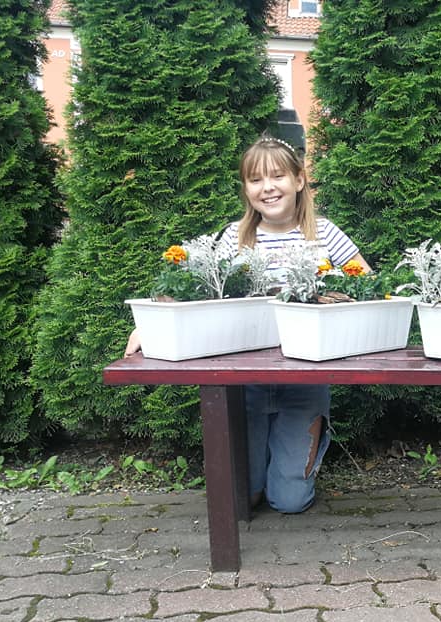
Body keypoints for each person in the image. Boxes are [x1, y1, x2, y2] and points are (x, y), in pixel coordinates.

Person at [125, 134, 372, 513]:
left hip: (306, 380)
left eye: (277, 176)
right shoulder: (236, 237)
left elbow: (367, 285)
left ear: (299, 180)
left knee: (289, 501)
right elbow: (193, 288)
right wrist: (151, 326)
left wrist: (339, 298)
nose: (267, 187)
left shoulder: (324, 233)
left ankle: (297, 462)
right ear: (246, 189)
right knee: (245, 495)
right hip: (245, 382)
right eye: (255, 179)